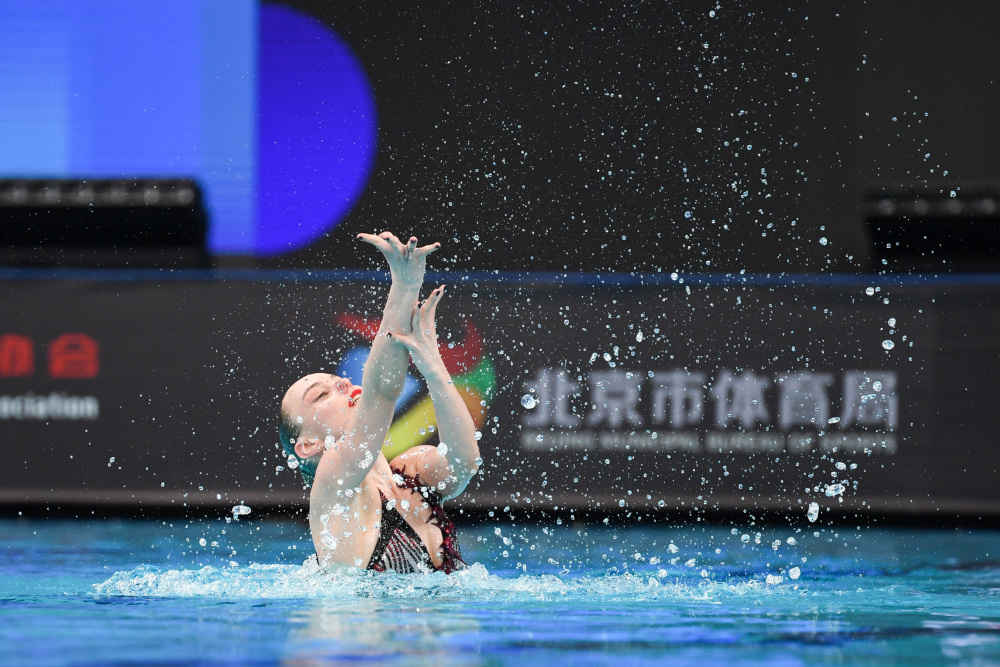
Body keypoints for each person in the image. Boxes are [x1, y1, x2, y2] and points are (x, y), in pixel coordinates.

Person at [278, 232, 481, 573]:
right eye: (322, 394)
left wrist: (432, 365)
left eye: (338, 379)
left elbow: (465, 462)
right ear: (308, 445)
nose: (343, 381)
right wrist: (404, 285)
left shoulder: (411, 473)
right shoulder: (333, 488)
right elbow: (381, 397)